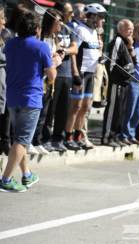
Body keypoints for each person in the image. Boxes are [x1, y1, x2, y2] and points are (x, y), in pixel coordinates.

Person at [0, 10, 59, 192]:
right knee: (22, 140)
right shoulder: (41, 47)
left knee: (19, 138)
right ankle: (6, 179)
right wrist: (55, 62)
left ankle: (27, 175)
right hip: (31, 98)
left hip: (13, 97)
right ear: (37, 29)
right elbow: (51, 77)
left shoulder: (9, 44)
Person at [64, 3, 106, 150]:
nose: (103, 20)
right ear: (93, 16)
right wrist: (75, 73)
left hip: (91, 73)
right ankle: (67, 136)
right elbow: (74, 52)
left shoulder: (95, 32)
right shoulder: (80, 30)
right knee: (76, 107)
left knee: (86, 107)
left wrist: (100, 56)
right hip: (80, 72)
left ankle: (78, 136)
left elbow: (94, 53)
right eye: (101, 17)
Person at [44, 2, 78, 153]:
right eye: (69, 12)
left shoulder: (68, 28)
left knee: (64, 109)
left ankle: (58, 138)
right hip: (54, 73)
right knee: (49, 108)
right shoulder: (53, 27)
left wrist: (63, 50)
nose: (72, 15)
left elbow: (75, 48)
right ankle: (44, 139)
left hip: (67, 74)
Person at [32, 9, 64, 156]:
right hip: (40, 79)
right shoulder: (40, 37)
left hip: (50, 80)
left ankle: (37, 140)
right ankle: (31, 141)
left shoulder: (54, 38)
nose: (61, 24)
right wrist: (52, 60)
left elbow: (56, 54)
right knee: (36, 112)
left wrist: (58, 56)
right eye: (59, 21)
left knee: (44, 113)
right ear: (51, 21)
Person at [102, 19, 135, 146]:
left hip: (125, 83)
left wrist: (131, 47)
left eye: (132, 28)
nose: (131, 31)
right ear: (120, 29)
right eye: (128, 28)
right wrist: (117, 78)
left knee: (121, 111)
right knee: (113, 110)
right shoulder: (117, 41)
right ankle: (107, 137)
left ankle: (116, 136)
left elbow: (132, 63)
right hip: (117, 82)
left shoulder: (127, 43)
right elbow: (111, 63)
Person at [120, 22, 139, 145]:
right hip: (133, 83)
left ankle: (131, 134)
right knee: (129, 110)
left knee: (138, 112)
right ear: (135, 34)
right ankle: (124, 134)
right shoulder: (131, 47)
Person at [0, 5, 13, 156]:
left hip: (5, 77)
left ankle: (4, 139)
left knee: (5, 111)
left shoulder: (6, 35)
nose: (4, 21)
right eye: (2, 17)